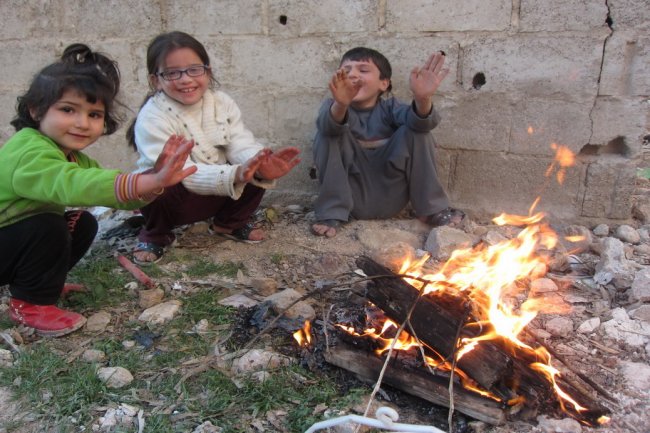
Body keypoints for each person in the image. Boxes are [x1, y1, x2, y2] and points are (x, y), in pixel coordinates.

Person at [0, 44, 197, 337]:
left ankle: (41, 284)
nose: (82, 123)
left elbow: (106, 188)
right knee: (47, 226)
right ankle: (29, 305)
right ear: (36, 110)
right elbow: (74, 183)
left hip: (10, 244)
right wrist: (148, 181)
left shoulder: (72, 156)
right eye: (68, 110)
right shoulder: (27, 148)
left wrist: (153, 179)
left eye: (94, 114)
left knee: (81, 223)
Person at [127, 31, 301, 264]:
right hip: (176, 200)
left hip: (218, 191)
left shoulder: (222, 102)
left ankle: (228, 223)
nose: (185, 79)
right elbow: (182, 171)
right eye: (172, 73)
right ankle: (156, 234)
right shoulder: (152, 117)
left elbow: (239, 142)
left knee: (256, 164)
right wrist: (235, 174)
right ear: (156, 80)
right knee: (158, 178)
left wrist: (258, 164)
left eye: (194, 69)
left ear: (207, 72)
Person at [311, 47, 464, 238]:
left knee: (418, 132)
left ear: (384, 84)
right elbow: (328, 126)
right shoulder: (333, 108)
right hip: (351, 197)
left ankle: (432, 210)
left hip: (390, 194)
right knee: (327, 133)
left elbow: (422, 122)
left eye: (363, 70)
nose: (353, 75)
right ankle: (332, 214)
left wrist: (423, 99)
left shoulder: (391, 108)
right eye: (346, 70)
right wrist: (340, 104)